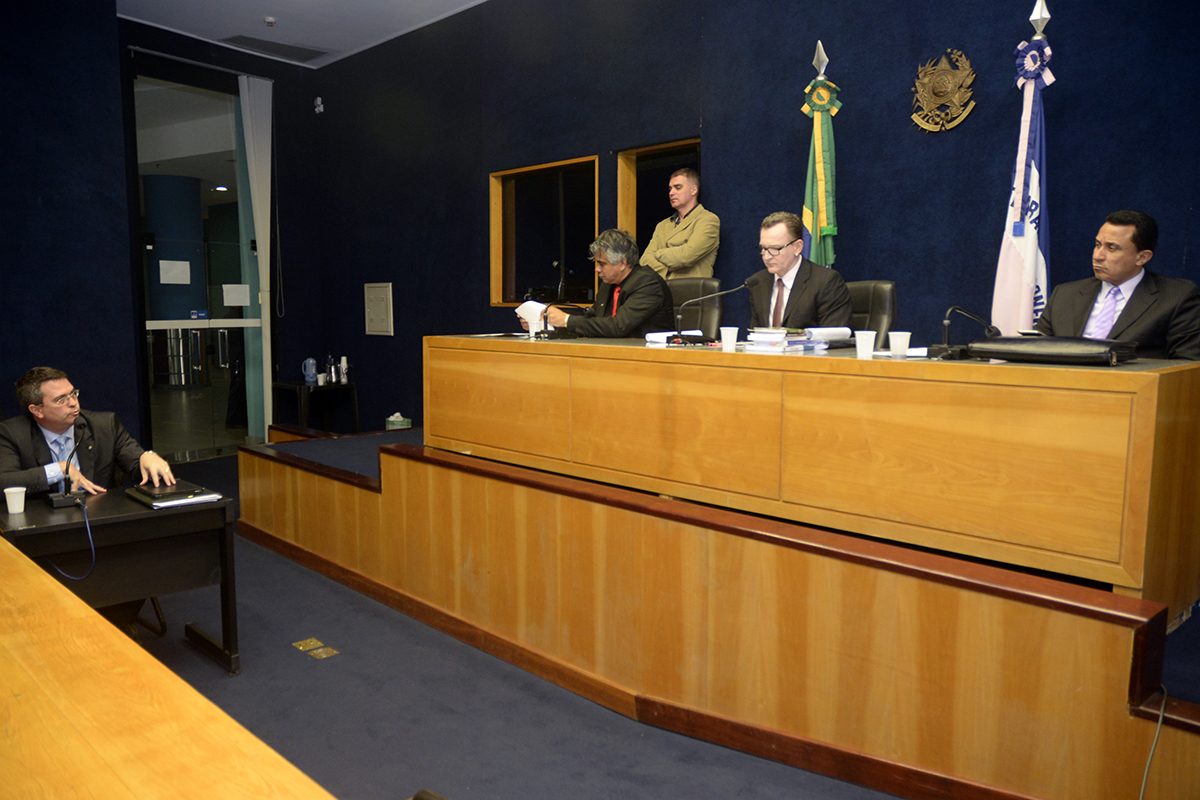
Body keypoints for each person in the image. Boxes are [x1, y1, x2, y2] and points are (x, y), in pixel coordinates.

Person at [1034, 210, 1200, 360]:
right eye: (1098, 245)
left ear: (1142, 258)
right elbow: (1034, 351)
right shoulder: (1065, 294)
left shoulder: (1176, 297)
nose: (1098, 255)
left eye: (1112, 248)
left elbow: (1187, 366)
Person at [0, 366, 175, 496]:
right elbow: (3, 483)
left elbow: (136, 464)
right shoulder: (11, 434)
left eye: (73, 393)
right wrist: (59, 470)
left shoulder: (103, 425)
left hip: (100, 516)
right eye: (61, 400)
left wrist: (148, 457)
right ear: (37, 410)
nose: (73, 403)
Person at [544, 229, 675, 338]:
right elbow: (595, 321)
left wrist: (567, 320)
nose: (597, 269)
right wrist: (551, 321)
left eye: (602, 264)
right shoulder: (608, 285)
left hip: (648, 358)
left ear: (623, 263)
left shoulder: (648, 284)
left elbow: (618, 327)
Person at [747, 211, 852, 329]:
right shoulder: (758, 282)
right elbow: (756, 334)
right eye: (763, 248)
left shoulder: (826, 281)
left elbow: (834, 337)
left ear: (798, 247)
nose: (766, 256)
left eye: (775, 248)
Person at [639, 168, 721, 280]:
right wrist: (668, 269)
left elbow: (686, 256)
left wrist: (658, 253)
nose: (671, 193)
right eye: (670, 189)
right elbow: (644, 261)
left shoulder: (708, 220)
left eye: (678, 187)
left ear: (693, 190)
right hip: (661, 292)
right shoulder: (662, 225)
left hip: (691, 292)